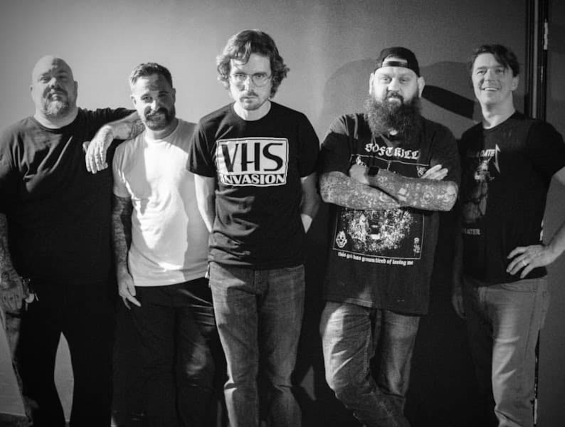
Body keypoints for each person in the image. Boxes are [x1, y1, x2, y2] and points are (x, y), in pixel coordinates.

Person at [318, 47, 460, 427]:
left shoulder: (438, 137)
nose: (393, 86)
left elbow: (444, 198)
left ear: (419, 86)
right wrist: (413, 191)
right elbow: (331, 188)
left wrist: (371, 176)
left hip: (406, 287)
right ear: (372, 83)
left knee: (393, 390)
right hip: (348, 286)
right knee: (343, 380)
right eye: (385, 78)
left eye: (403, 79)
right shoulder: (348, 127)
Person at [188, 29, 320, 427]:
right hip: (229, 272)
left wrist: (291, 234)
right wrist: (227, 241)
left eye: (259, 75)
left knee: (281, 379)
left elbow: (311, 197)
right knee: (239, 377)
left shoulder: (295, 125)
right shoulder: (210, 128)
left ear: (273, 78)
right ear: (227, 76)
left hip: (286, 270)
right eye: (240, 75)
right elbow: (205, 199)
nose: (249, 85)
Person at [0, 55, 139, 427]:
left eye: (62, 76)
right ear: (32, 90)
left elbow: (147, 116)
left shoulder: (97, 122)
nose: (54, 83)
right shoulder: (13, 139)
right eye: (45, 78)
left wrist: (108, 132)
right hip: (30, 293)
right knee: (35, 386)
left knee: (96, 384)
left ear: (75, 87)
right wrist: (6, 278)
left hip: (93, 289)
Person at [451, 44, 565, 427]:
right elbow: (461, 214)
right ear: (472, 81)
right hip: (472, 286)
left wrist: (550, 251)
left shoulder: (535, 134)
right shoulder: (467, 141)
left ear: (515, 80)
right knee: (486, 396)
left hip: (517, 289)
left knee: (510, 403)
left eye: (500, 70)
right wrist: (456, 280)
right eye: (481, 71)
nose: (490, 78)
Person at [111, 62, 224, 427]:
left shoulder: (200, 137)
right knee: (155, 372)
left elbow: (226, 201)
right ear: (134, 102)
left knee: (199, 375)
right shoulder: (125, 153)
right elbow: (119, 214)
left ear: (174, 95)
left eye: (162, 94)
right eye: (146, 97)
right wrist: (121, 270)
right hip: (146, 283)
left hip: (200, 278)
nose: (155, 104)